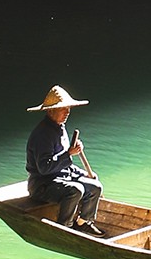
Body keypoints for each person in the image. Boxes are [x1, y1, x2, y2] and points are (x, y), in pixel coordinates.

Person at [26, 84, 102, 230]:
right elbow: (45, 168)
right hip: (43, 185)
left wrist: (83, 173)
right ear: (51, 111)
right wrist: (68, 154)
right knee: (76, 190)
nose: (67, 112)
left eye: (68, 109)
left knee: (95, 187)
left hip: (61, 179)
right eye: (63, 109)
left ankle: (83, 223)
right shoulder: (42, 134)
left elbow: (65, 165)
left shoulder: (60, 128)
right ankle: (64, 227)